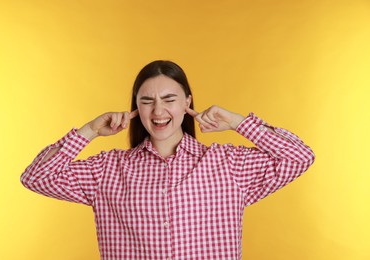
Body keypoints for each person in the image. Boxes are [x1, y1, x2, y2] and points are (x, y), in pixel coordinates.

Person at [21, 60, 315, 260]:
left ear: (187, 102)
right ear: (136, 107)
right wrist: (89, 131)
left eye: (169, 99)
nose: (157, 110)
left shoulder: (228, 165)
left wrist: (239, 122)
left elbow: (300, 156)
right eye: (146, 101)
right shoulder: (107, 170)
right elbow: (35, 178)